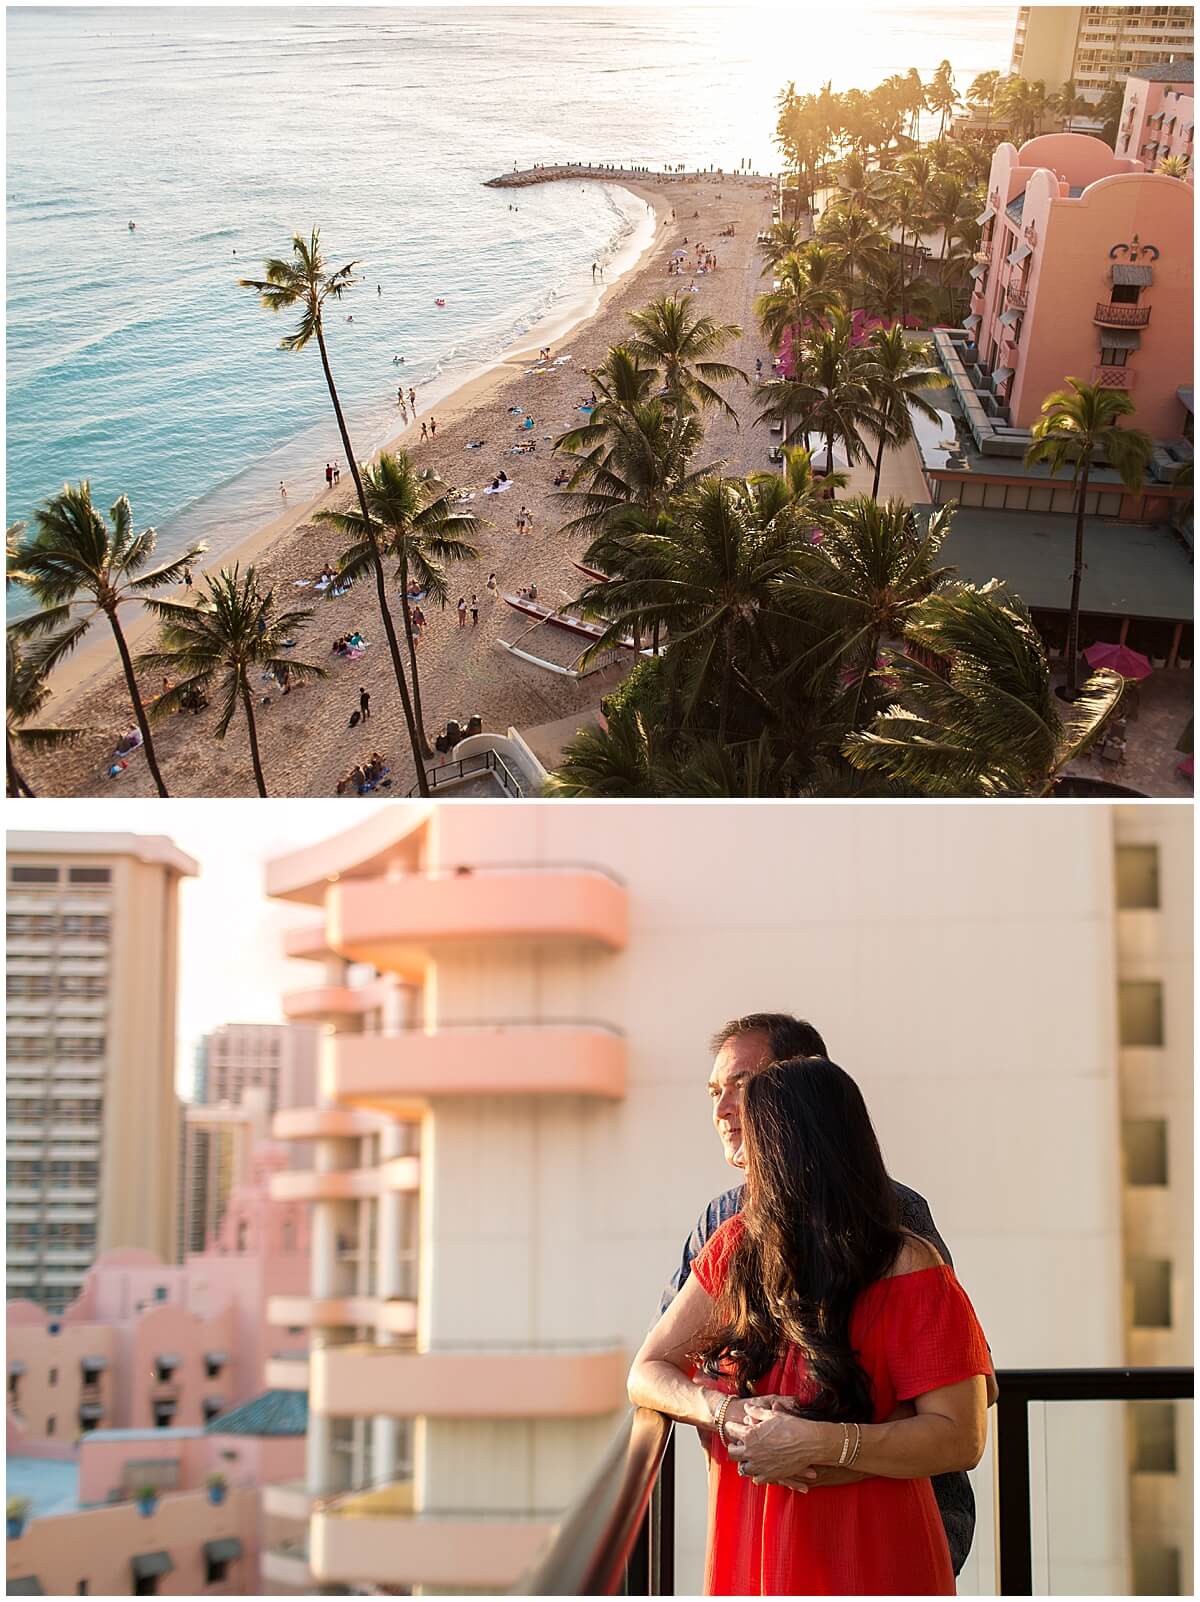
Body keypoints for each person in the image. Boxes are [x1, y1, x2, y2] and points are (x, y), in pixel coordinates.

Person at [631, 1046, 992, 1597]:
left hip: (875, 1551)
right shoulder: (736, 1247)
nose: (739, 1147)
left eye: (757, 1131)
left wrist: (820, 1444)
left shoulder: (908, 1265)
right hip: (755, 1541)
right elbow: (647, 1371)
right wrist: (728, 1411)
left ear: (791, 1147)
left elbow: (961, 1438)